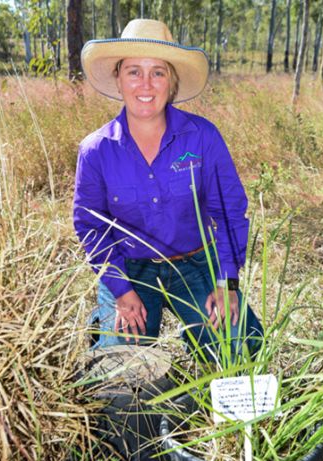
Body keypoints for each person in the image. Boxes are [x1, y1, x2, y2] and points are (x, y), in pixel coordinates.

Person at [74, 19, 263, 360]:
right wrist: (120, 289)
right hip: (130, 269)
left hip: (195, 262)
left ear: (172, 83)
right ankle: (104, 324)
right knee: (122, 368)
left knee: (240, 350)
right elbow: (91, 226)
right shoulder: (96, 150)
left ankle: (195, 328)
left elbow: (230, 211)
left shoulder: (203, 137)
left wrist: (227, 283)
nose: (145, 84)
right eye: (134, 71)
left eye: (158, 72)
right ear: (118, 79)